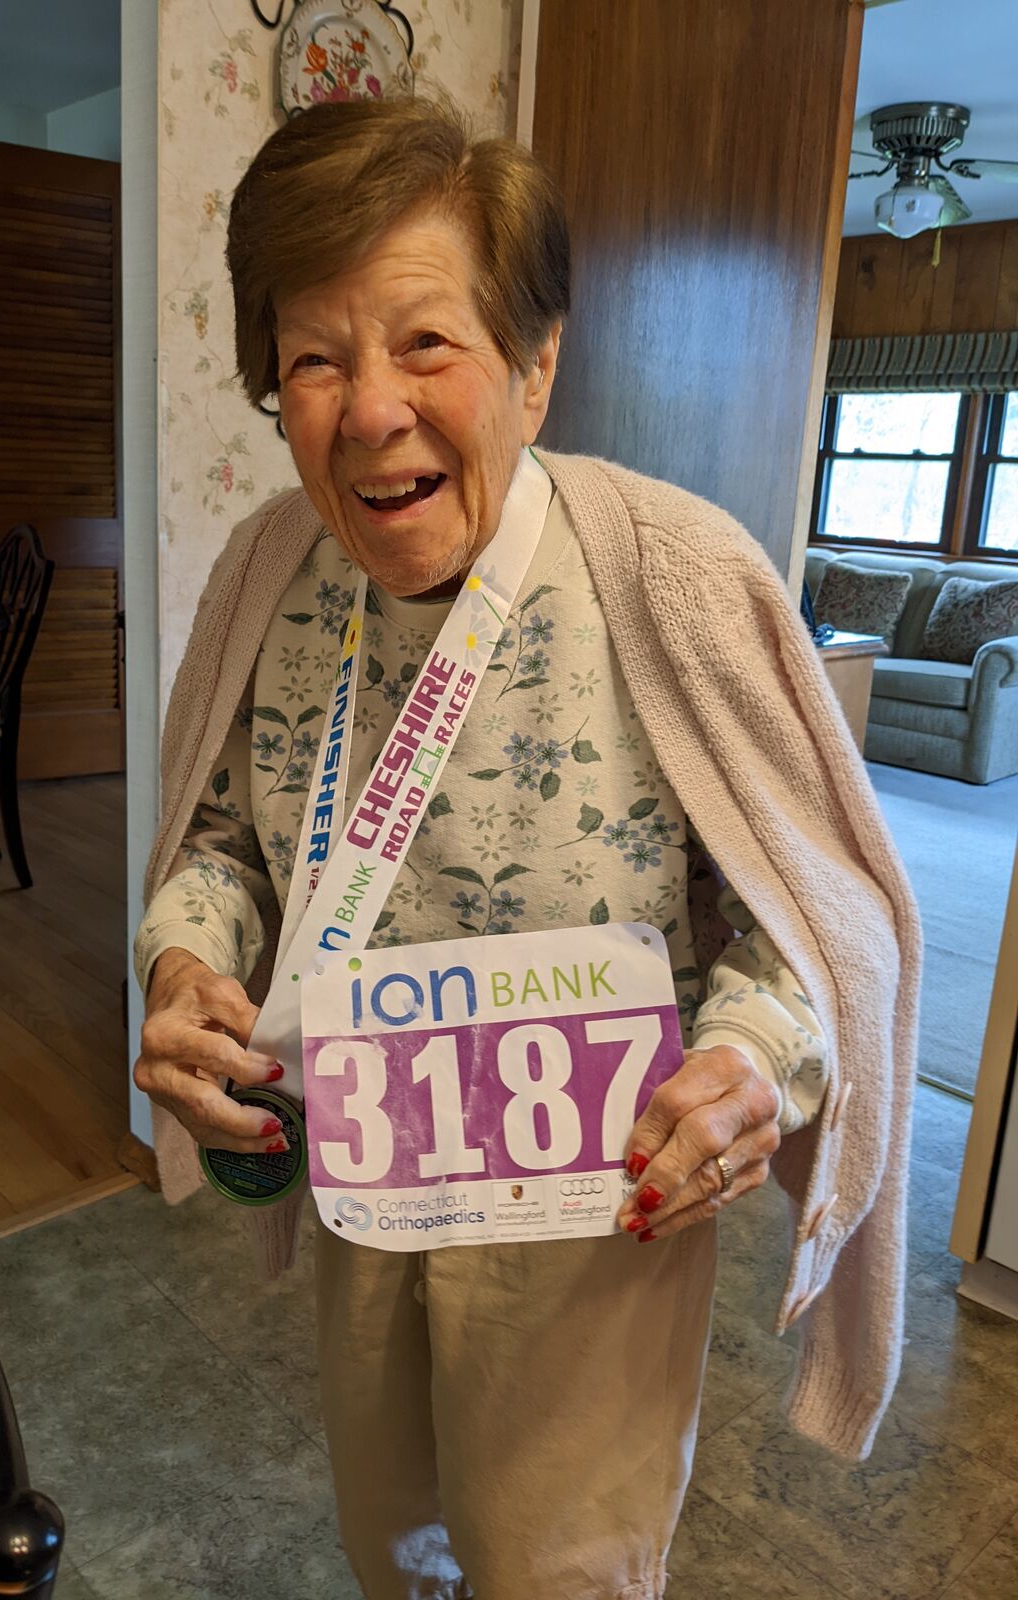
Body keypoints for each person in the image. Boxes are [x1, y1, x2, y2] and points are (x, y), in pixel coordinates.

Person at [134, 98, 919, 1600]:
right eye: (314, 357)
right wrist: (186, 957)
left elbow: (821, 920)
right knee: (396, 1551)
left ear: (535, 365)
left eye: (427, 343)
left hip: (598, 1211)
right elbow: (229, 840)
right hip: (367, 1173)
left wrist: (754, 1057)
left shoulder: (671, 574)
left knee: (559, 1569)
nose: (370, 410)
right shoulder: (267, 579)